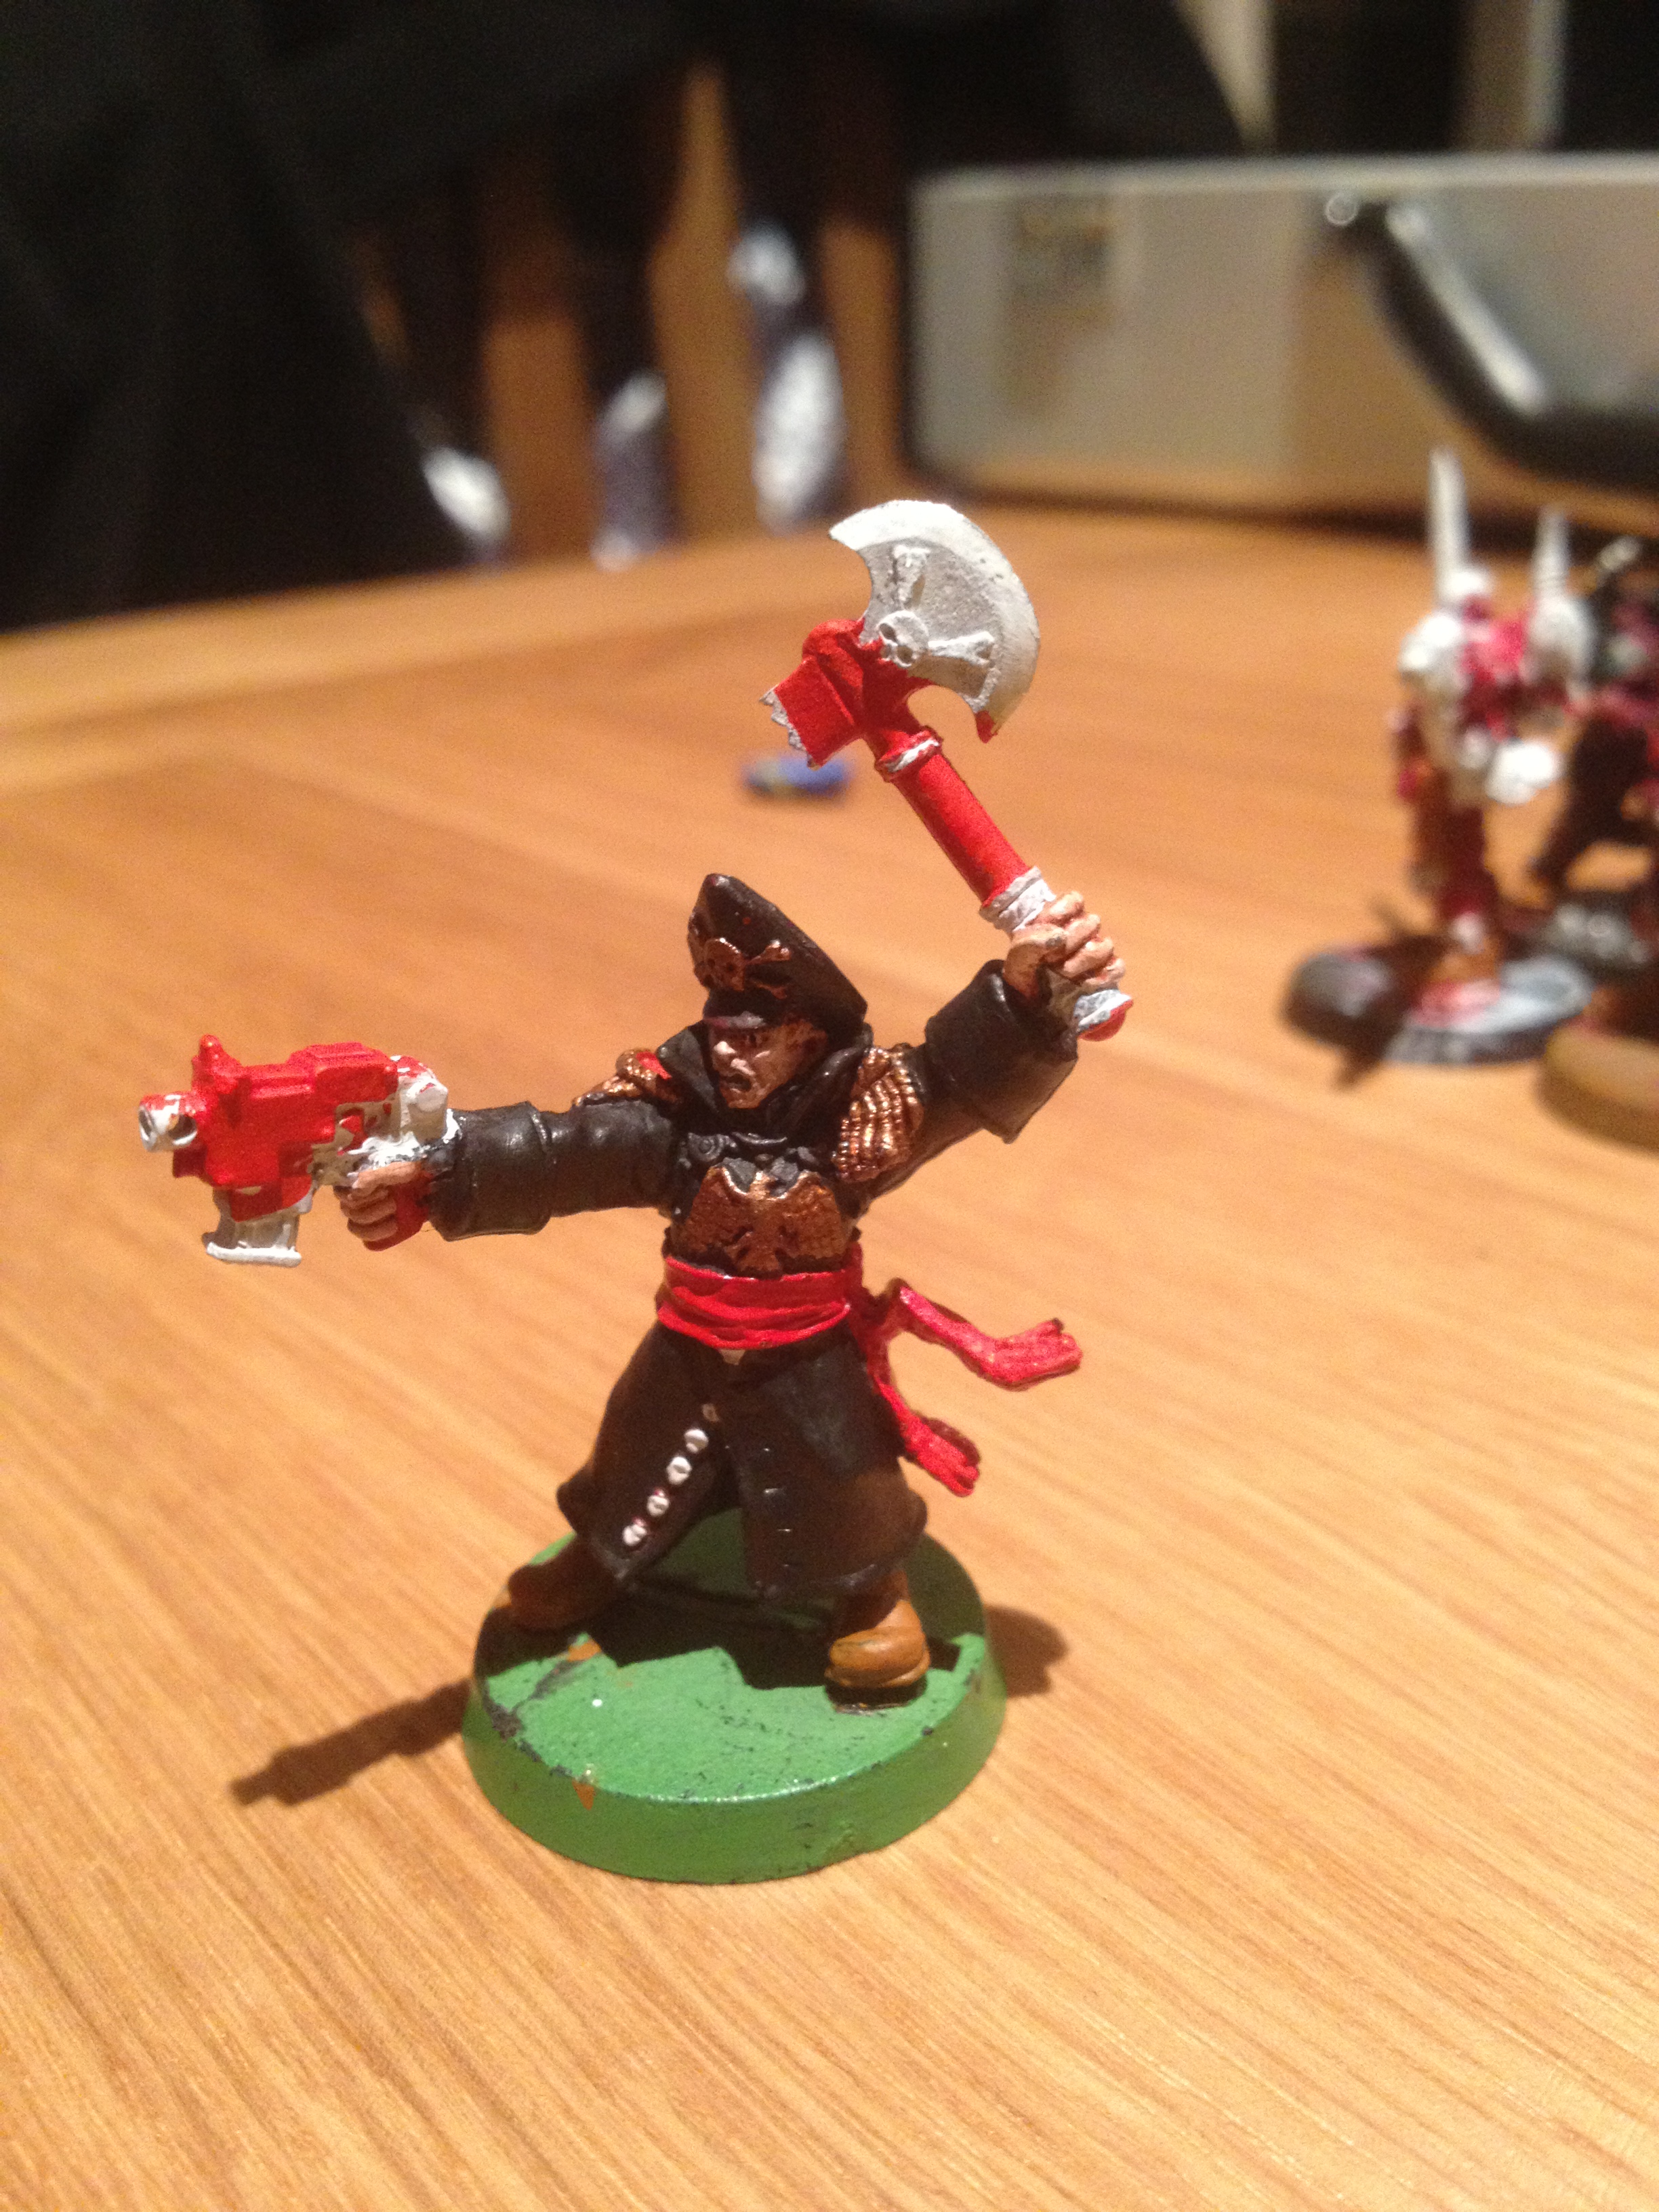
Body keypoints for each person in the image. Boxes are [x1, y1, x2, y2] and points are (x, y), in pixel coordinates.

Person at [339, 872, 1120, 1691]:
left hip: (808, 1349)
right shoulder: (676, 1120)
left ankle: (869, 1589)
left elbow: (954, 1078)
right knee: (636, 1451)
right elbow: (569, 1152)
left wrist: (1024, 997)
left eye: (755, 1040)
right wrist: (442, 1168)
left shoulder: (860, 1120)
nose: (727, 1054)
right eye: (721, 1036)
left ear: (807, 1040)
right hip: (689, 1338)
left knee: (844, 1472)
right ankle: (606, 1555)